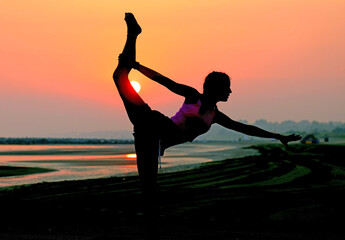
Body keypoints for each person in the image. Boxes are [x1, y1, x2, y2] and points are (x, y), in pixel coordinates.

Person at [112, 12, 301, 227]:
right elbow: (166, 82)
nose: (230, 91)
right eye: (227, 87)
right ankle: (133, 35)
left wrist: (278, 136)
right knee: (120, 76)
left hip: (151, 140)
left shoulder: (215, 116)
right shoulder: (193, 96)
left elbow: (245, 129)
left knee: (149, 187)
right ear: (216, 89)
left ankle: (133, 35)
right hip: (154, 124)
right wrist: (138, 66)